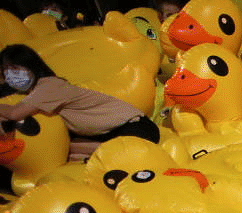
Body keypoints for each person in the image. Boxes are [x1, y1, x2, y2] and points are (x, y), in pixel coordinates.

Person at [0, 44, 159, 160]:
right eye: (6, 71)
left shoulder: (48, 86)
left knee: (61, 150)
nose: (11, 75)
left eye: (15, 69)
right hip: (109, 134)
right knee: (71, 153)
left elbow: (15, 113)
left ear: (31, 66)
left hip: (136, 129)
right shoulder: (33, 91)